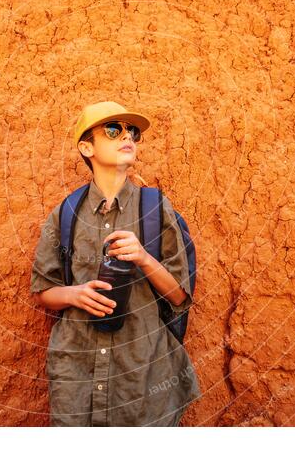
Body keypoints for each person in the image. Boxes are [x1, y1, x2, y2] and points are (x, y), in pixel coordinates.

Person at [30, 100, 202, 426]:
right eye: (113, 130)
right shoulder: (66, 213)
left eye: (132, 132)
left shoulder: (155, 208)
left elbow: (180, 296)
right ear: (87, 147)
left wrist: (143, 257)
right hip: (76, 373)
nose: (127, 138)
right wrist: (74, 294)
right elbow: (42, 289)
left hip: (143, 375)